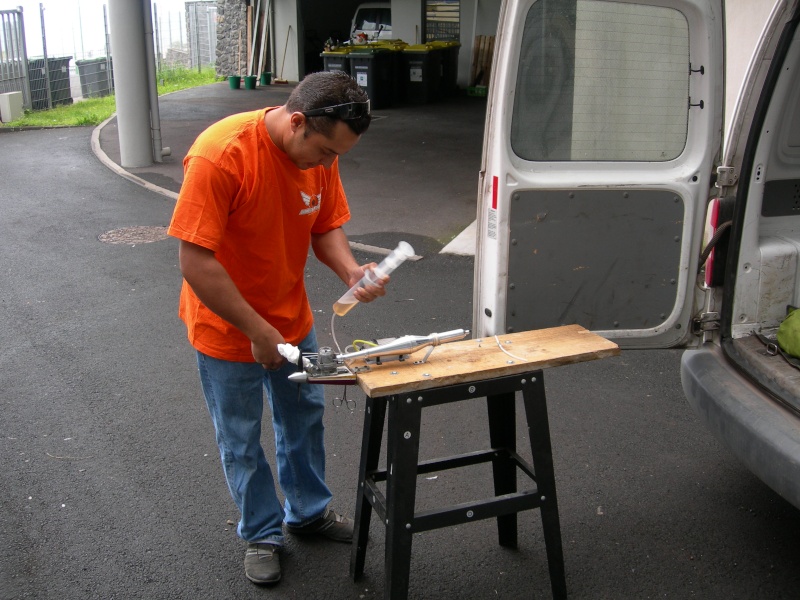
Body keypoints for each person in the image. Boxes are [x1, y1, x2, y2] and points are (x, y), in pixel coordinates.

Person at [167, 71, 384, 585]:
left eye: (338, 157)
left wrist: (351, 270)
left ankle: (308, 512)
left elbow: (325, 223)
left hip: (291, 318)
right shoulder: (221, 154)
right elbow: (195, 260)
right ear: (298, 122)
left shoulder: (321, 154)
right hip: (228, 327)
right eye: (326, 153)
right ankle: (261, 532)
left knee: (303, 418)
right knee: (240, 436)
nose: (329, 165)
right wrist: (256, 330)